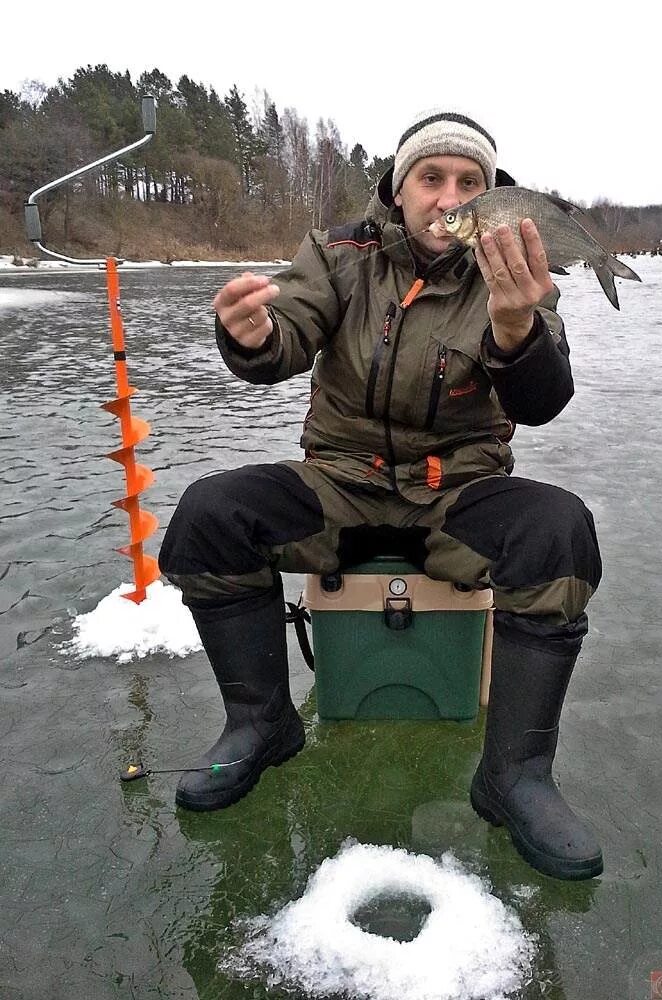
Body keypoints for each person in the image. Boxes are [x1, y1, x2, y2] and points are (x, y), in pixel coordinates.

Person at [159, 109, 604, 881]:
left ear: (494, 198)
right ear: (398, 191)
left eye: (470, 182)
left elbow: (543, 401)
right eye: (430, 178)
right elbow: (287, 332)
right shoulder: (339, 254)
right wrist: (254, 335)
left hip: (459, 494)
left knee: (559, 531)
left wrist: (514, 327)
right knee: (208, 516)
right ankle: (260, 726)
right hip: (340, 483)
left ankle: (516, 775)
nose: (447, 196)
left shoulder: (516, 268)